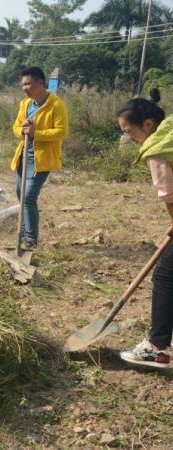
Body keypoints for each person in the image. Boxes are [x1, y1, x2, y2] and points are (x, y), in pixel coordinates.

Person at [117, 89, 173, 368]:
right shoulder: (170, 132)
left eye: (129, 132)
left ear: (148, 125)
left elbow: (170, 195)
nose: (128, 138)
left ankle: (157, 347)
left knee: (165, 275)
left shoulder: (156, 150)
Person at [11, 67, 69, 249]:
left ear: (40, 83)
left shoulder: (56, 105)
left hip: (41, 160)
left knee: (28, 197)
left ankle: (30, 238)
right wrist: (23, 130)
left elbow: (62, 132)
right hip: (23, 156)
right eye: (23, 84)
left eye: (28, 83)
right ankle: (23, 229)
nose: (24, 88)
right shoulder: (25, 105)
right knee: (20, 195)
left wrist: (37, 133)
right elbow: (16, 128)